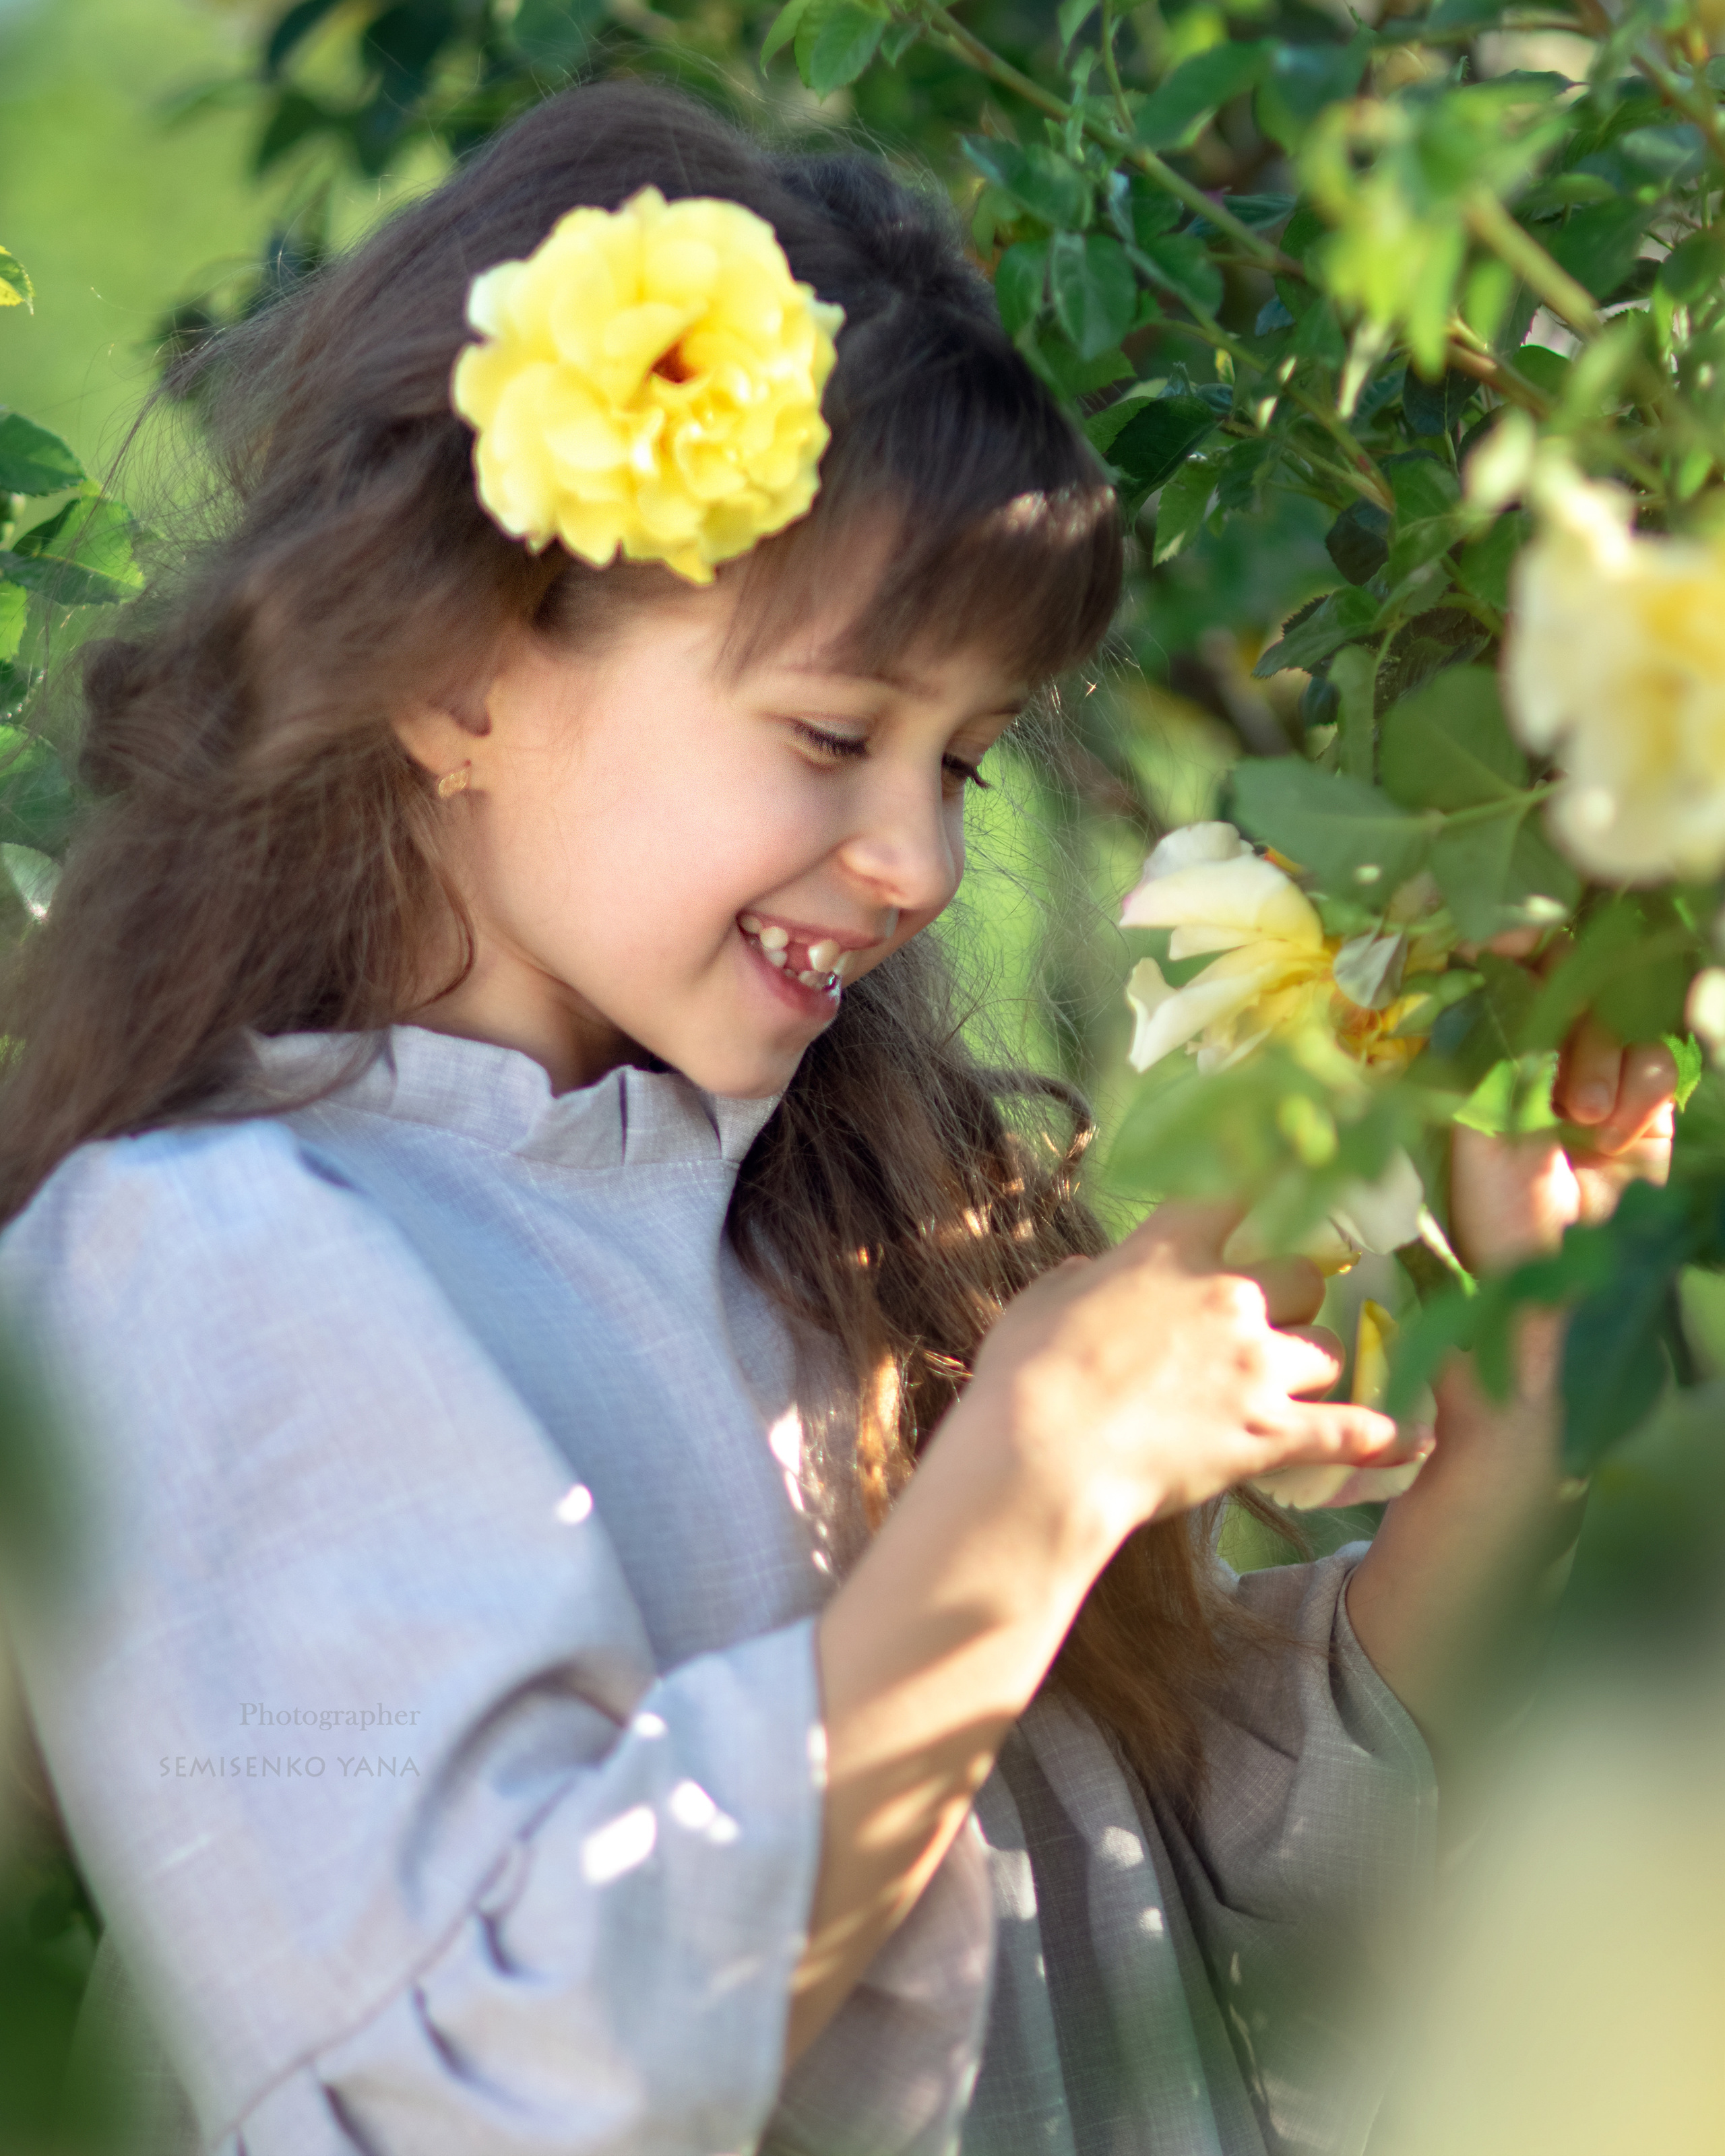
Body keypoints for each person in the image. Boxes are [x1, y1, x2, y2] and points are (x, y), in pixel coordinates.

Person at [0, 79, 1679, 2156]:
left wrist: (1526, 1378)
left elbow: (1210, 1921)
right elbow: (510, 2086)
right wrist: (1032, 1480)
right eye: (831, 733)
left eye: (962, 765)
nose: (921, 861)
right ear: (454, 673)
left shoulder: (849, 1227)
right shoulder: (211, 1266)